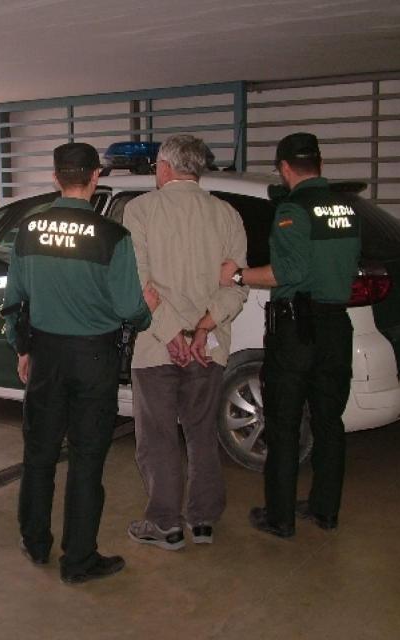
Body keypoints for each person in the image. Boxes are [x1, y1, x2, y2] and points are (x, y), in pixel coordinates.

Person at [2, 142, 159, 584]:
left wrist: (23, 349)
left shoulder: (29, 229)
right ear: (95, 178)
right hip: (94, 358)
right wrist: (146, 308)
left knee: (39, 454)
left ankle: (35, 542)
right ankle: (79, 560)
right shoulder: (113, 237)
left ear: (56, 178)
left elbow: (12, 302)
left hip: (46, 356)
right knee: (87, 460)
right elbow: (131, 310)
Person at [220, 132, 361, 538]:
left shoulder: (292, 211)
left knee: (282, 423)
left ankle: (279, 517)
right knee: (329, 421)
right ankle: (324, 510)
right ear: (319, 163)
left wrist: (238, 276)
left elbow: (287, 273)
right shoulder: (346, 208)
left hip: (298, 330)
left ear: (284, 168)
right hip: (336, 325)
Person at [123, 134, 248, 550]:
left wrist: (173, 333)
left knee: (158, 436)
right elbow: (235, 284)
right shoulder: (228, 215)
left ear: (164, 168)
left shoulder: (139, 211)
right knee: (201, 432)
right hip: (207, 346)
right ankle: (203, 519)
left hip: (157, 345)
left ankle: (165, 524)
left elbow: (139, 285)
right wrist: (202, 329)